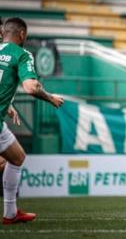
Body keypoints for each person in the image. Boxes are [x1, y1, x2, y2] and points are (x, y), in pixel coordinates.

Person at [0, 17, 64, 224]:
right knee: (13, 160)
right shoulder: (22, 54)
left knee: (16, 157)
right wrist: (50, 97)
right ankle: (10, 213)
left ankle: (11, 213)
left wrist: (8, 106)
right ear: (22, 35)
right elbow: (31, 87)